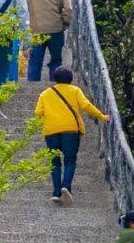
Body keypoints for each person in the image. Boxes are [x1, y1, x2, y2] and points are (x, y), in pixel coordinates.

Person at [34, 66, 109, 204]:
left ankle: (56, 192)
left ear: (55, 78)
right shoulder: (75, 90)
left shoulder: (45, 94)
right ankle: (66, 186)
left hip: (51, 131)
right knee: (70, 160)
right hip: (70, 130)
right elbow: (85, 106)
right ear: (71, 78)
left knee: (55, 162)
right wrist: (102, 116)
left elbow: (38, 112)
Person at [25, 0, 73, 80]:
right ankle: (54, 86)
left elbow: (25, 9)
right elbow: (68, 10)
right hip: (56, 30)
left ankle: (32, 85)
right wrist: (64, 24)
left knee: (35, 62)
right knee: (56, 61)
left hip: (36, 30)